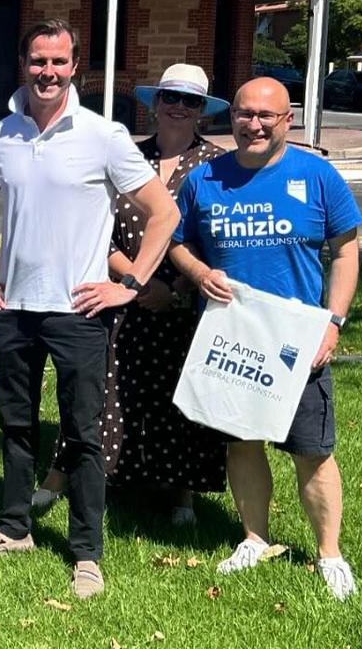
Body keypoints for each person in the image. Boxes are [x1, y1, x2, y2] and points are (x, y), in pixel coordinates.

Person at [0, 19, 180, 600]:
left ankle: (86, 552)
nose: (47, 73)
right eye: (37, 61)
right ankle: (14, 528)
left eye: (58, 62)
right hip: (15, 307)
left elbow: (164, 214)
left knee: (84, 434)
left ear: (75, 67)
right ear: (23, 65)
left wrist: (131, 282)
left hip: (81, 311)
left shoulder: (104, 136)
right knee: (15, 425)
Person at [169, 77, 362, 600]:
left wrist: (333, 322)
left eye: (266, 116)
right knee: (241, 441)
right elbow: (177, 242)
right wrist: (197, 272)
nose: (253, 124)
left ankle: (329, 554)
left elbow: (346, 251)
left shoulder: (316, 175)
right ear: (231, 118)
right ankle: (255, 537)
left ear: (287, 121)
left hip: (297, 341)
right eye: (244, 114)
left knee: (312, 451)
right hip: (234, 338)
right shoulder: (204, 178)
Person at [34, 64, 229, 525]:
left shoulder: (217, 167)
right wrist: (134, 283)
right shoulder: (126, 155)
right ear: (155, 103)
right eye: (171, 97)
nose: (179, 108)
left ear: (202, 111)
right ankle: (62, 477)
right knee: (97, 391)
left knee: (182, 395)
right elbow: (96, 227)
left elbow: (217, 240)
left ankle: (182, 494)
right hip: (119, 291)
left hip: (187, 299)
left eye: (191, 101)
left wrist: (177, 289)